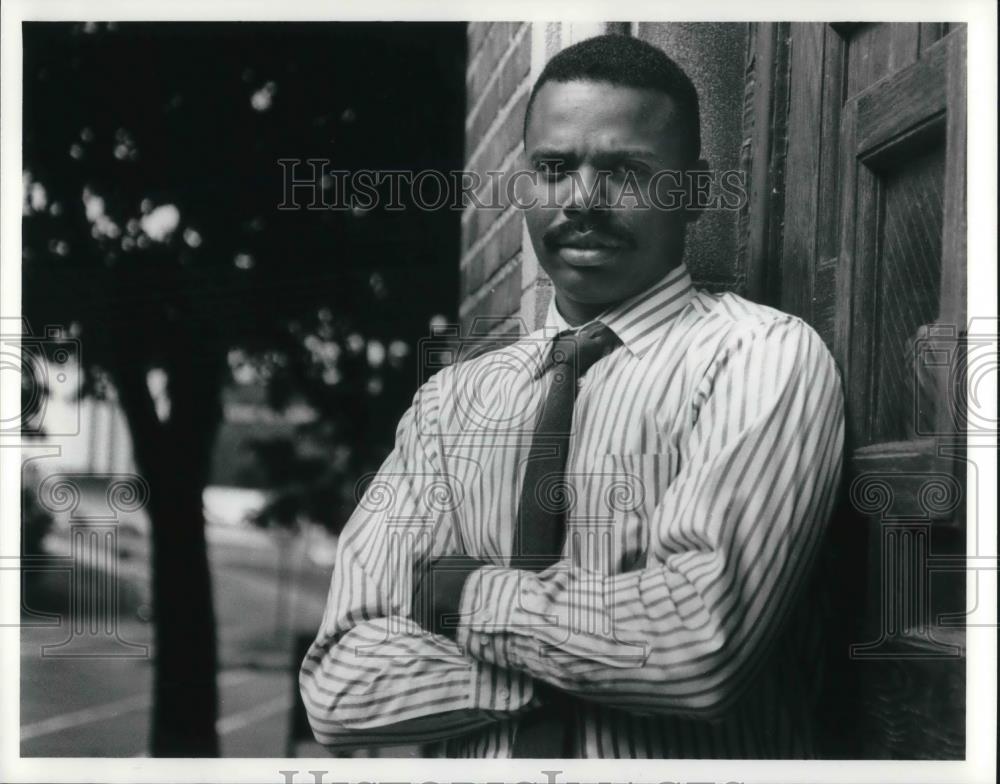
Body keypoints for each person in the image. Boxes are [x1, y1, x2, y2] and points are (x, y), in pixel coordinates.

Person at [300, 33, 845, 759]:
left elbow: (697, 646)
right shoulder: (449, 405)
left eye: (625, 170)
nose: (583, 200)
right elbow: (339, 687)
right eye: (554, 167)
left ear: (696, 192)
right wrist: (585, 656)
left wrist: (460, 596)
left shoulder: (759, 357)